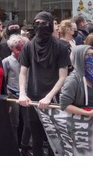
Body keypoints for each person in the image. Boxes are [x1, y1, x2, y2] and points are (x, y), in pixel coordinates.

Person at [18, 11, 71, 156]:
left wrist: (49, 96)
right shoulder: (28, 46)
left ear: (50, 25)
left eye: (44, 24)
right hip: (33, 99)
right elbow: (23, 72)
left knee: (56, 139)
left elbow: (63, 76)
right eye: (37, 23)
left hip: (54, 99)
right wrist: (22, 93)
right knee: (36, 139)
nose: (40, 26)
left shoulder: (61, 47)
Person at [59, 45, 93, 155]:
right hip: (80, 125)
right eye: (87, 55)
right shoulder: (73, 80)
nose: (92, 58)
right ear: (78, 58)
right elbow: (64, 105)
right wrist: (87, 113)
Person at [2, 34, 31, 155]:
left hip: (26, 93)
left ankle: (24, 146)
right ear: (11, 48)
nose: (19, 49)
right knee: (14, 123)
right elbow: (4, 79)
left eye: (22, 46)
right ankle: (13, 148)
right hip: (12, 94)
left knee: (28, 123)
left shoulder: (28, 60)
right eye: (16, 47)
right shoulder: (7, 61)